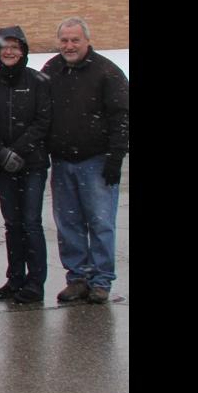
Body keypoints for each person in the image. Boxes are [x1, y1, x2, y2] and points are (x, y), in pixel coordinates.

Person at [42, 17, 130, 304]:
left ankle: (101, 281)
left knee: (101, 223)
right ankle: (77, 278)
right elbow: (40, 113)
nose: (69, 45)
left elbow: (121, 117)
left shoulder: (107, 72)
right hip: (63, 162)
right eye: (64, 40)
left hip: (97, 162)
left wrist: (115, 158)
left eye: (75, 40)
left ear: (87, 41)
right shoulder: (52, 70)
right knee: (69, 224)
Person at [0, 26, 53, 305]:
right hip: (2, 164)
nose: (9, 52)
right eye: (4, 47)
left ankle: (36, 282)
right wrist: (1, 151)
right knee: (12, 223)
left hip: (32, 163)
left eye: (14, 46)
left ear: (23, 50)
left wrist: (19, 151)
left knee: (31, 222)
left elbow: (42, 121)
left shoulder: (38, 82)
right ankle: (15, 279)